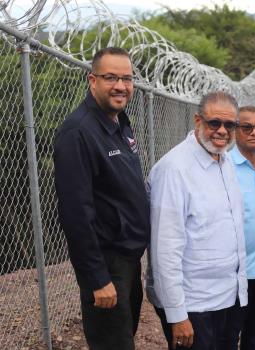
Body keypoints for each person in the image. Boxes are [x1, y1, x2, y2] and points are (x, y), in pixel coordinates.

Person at [53, 47, 150, 349]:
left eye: (126, 78)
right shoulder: (78, 133)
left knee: (124, 337)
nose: (120, 86)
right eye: (111, 78)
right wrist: (96, 278)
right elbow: (75, 214)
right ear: (92, 80)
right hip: (107, 266)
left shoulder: (119, 123)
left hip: (129, 261)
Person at [148, 91, 248, 350]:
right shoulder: (174, 169)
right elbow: (165, 249)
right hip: (194, 304)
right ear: (198, 120)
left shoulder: (224, 161)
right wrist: (177, 314)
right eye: (215, 123)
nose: (222, 131)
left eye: (230, 125)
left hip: (226, 297)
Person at [223, 106, 255, 349]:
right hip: (235, 272)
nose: (254, 132)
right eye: (247, 127)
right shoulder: (224, 166)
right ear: (235, 131)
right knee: (229, 335)